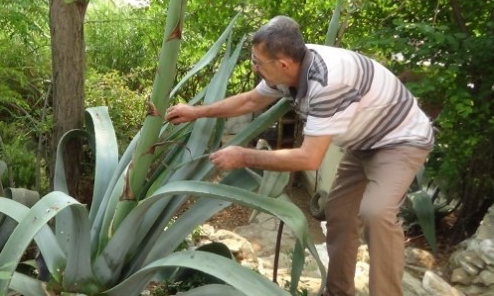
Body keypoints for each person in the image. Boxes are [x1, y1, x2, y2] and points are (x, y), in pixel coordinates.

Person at [165, 15, 434, 296]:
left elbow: (309, 159)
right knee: (340, 214)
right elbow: (250, 100)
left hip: (401, 139)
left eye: (257, 61)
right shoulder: (289, 71)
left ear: (282, 64)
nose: (254, 66)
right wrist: (196, 112)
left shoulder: (327, 82)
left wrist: (244, 156)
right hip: (362, 143)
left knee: (376, 212)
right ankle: (338, 292)